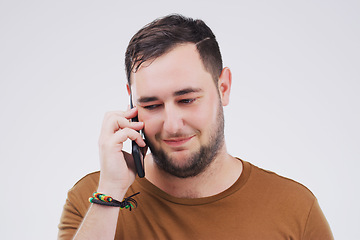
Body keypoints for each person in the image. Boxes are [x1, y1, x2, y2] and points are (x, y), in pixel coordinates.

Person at [58, 14, 333, 239]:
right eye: (152, 105)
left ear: (223, 87)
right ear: (131, 101)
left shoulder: (295, 208)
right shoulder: (93, 199)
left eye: (187, 99)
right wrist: (111, 193)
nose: (173, 125)